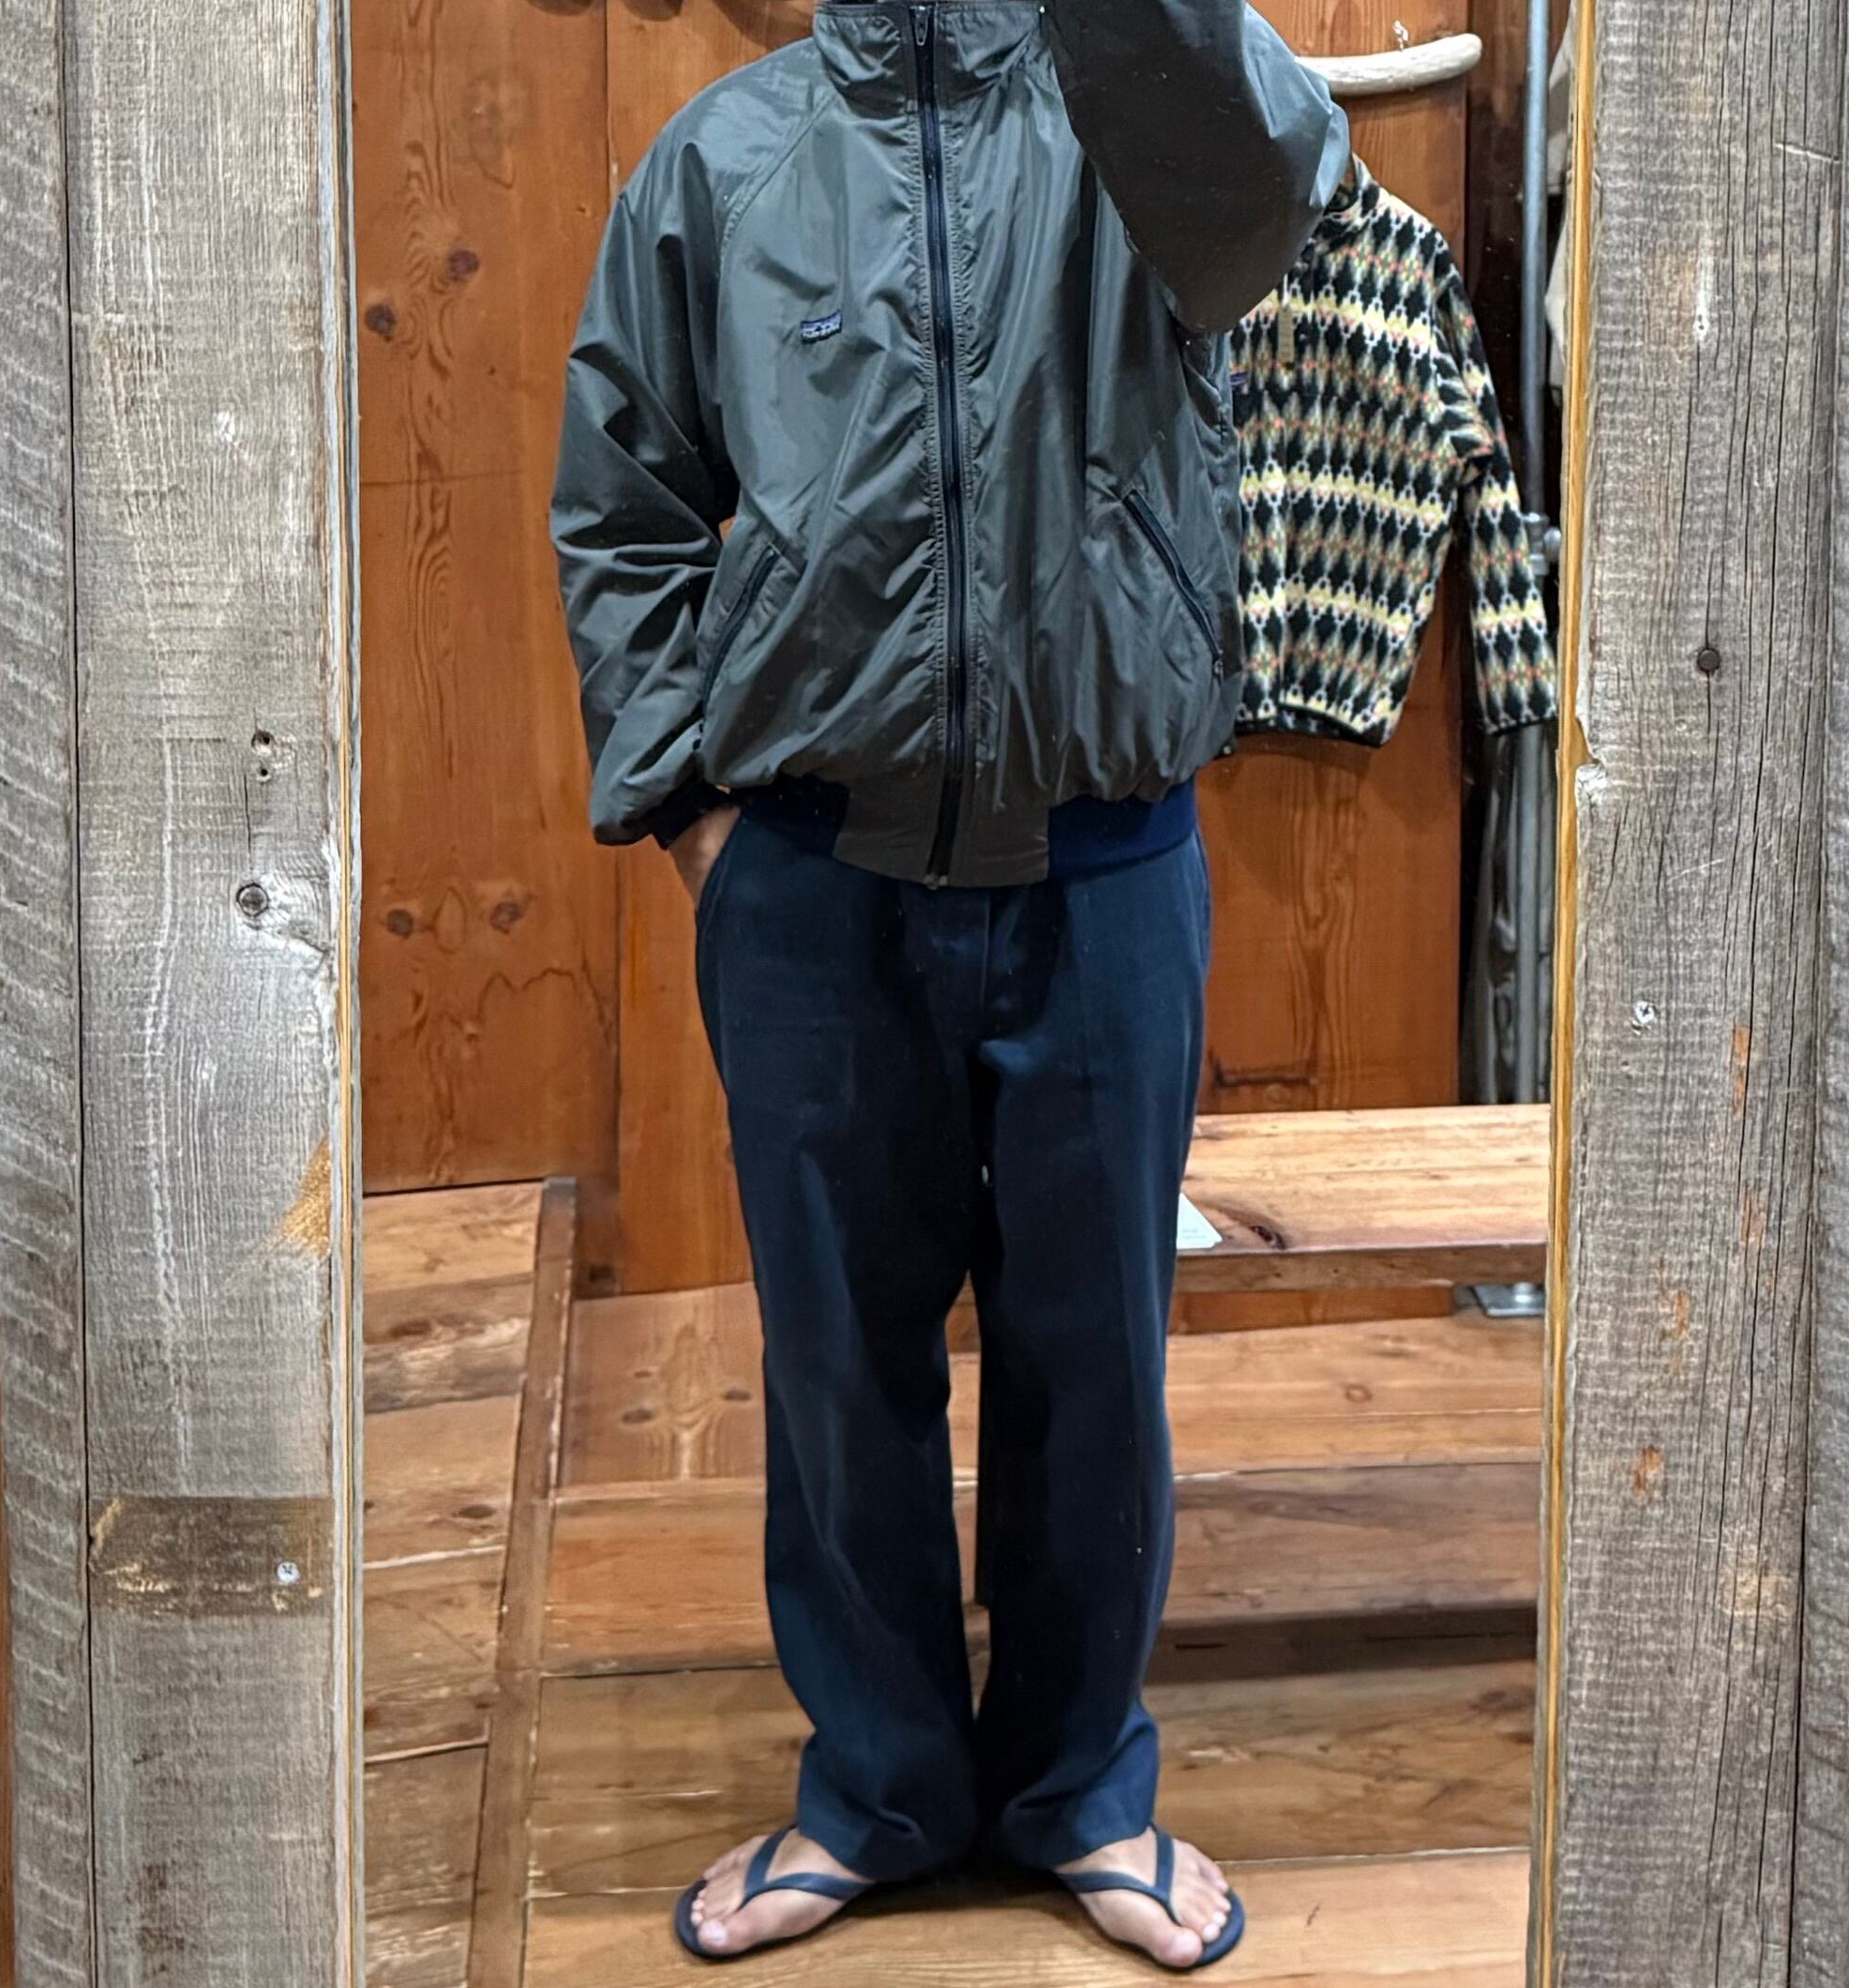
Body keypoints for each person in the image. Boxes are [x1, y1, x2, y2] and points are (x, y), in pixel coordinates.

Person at [551, 0, 1346, 1967]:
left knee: (1100, 1363)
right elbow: (622, 502)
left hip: (1106, 868)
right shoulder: (720, 162)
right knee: (838, 1361)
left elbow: (1279, 188)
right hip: (814, 885)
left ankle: (1084, 1787)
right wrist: (693, 816)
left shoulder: (1144, 119)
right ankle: (883, 1787)